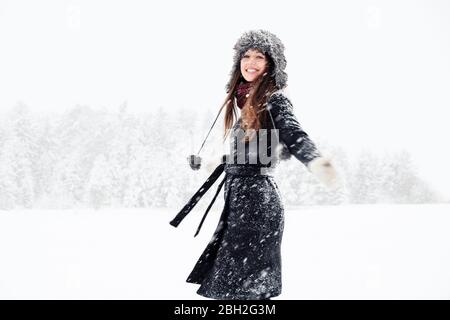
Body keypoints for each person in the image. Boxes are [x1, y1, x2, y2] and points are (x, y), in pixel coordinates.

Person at [170, 29, 340, 300]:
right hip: (241, 201)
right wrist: (210, 163)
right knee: (232, 286)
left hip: (257, 205)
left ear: (271, 64)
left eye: (258, 57)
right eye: (245, 56)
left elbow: (294, 134)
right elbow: (254, 151)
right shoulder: (246, 101)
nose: (250, 62)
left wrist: (315, 160)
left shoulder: (275, 99)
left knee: (245, 289)